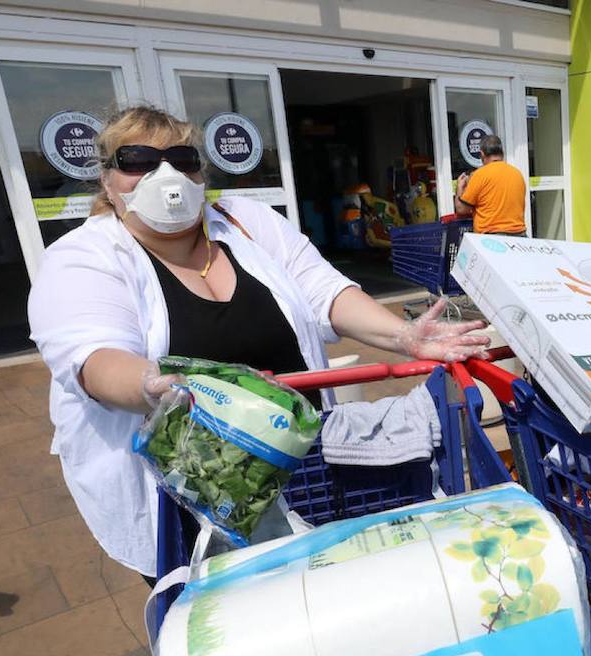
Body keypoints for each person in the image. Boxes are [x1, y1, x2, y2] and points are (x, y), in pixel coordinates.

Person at [28, 106, 489, 582]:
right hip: (190, 498)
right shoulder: (81, 258)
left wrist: (403, 335)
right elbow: (93, 358)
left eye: (182, 159)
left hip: (305, 469)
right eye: (138, 160)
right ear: (107, 180)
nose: (164, 175)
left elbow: (323, 291)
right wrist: (163, 387)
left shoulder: (245, 222)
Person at [454, 135, 527, 235]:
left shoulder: (480, 175)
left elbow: (461, 209)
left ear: (482, 154)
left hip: (492, 239)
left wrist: (460, 188)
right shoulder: (517, 174)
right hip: (519, 236)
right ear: (502, 153)